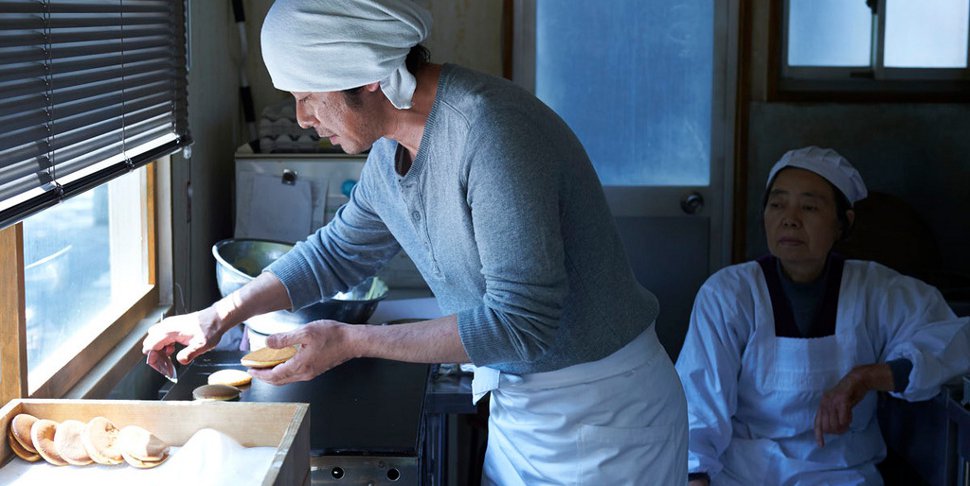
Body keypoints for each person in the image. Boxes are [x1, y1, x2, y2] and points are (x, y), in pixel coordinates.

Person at [142, 0, 687, 483]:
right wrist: (220, 315)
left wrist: (351, 342)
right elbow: (336, 252)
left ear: (368, 75)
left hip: (605, 414)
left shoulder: (491, 134)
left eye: (308, 96)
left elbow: (522, 322)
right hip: (525, 407)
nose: (303, 119)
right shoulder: (390, 150)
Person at [676, 146, 970, 485]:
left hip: (841, 473)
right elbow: (697, 404)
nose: (789, 218)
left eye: (810, 207)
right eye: (777, 204)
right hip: (743, 473)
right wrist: (695, 476)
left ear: (843, 223)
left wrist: (867, 377)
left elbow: (954, 342)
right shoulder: (729, 294)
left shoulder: (877, 290)